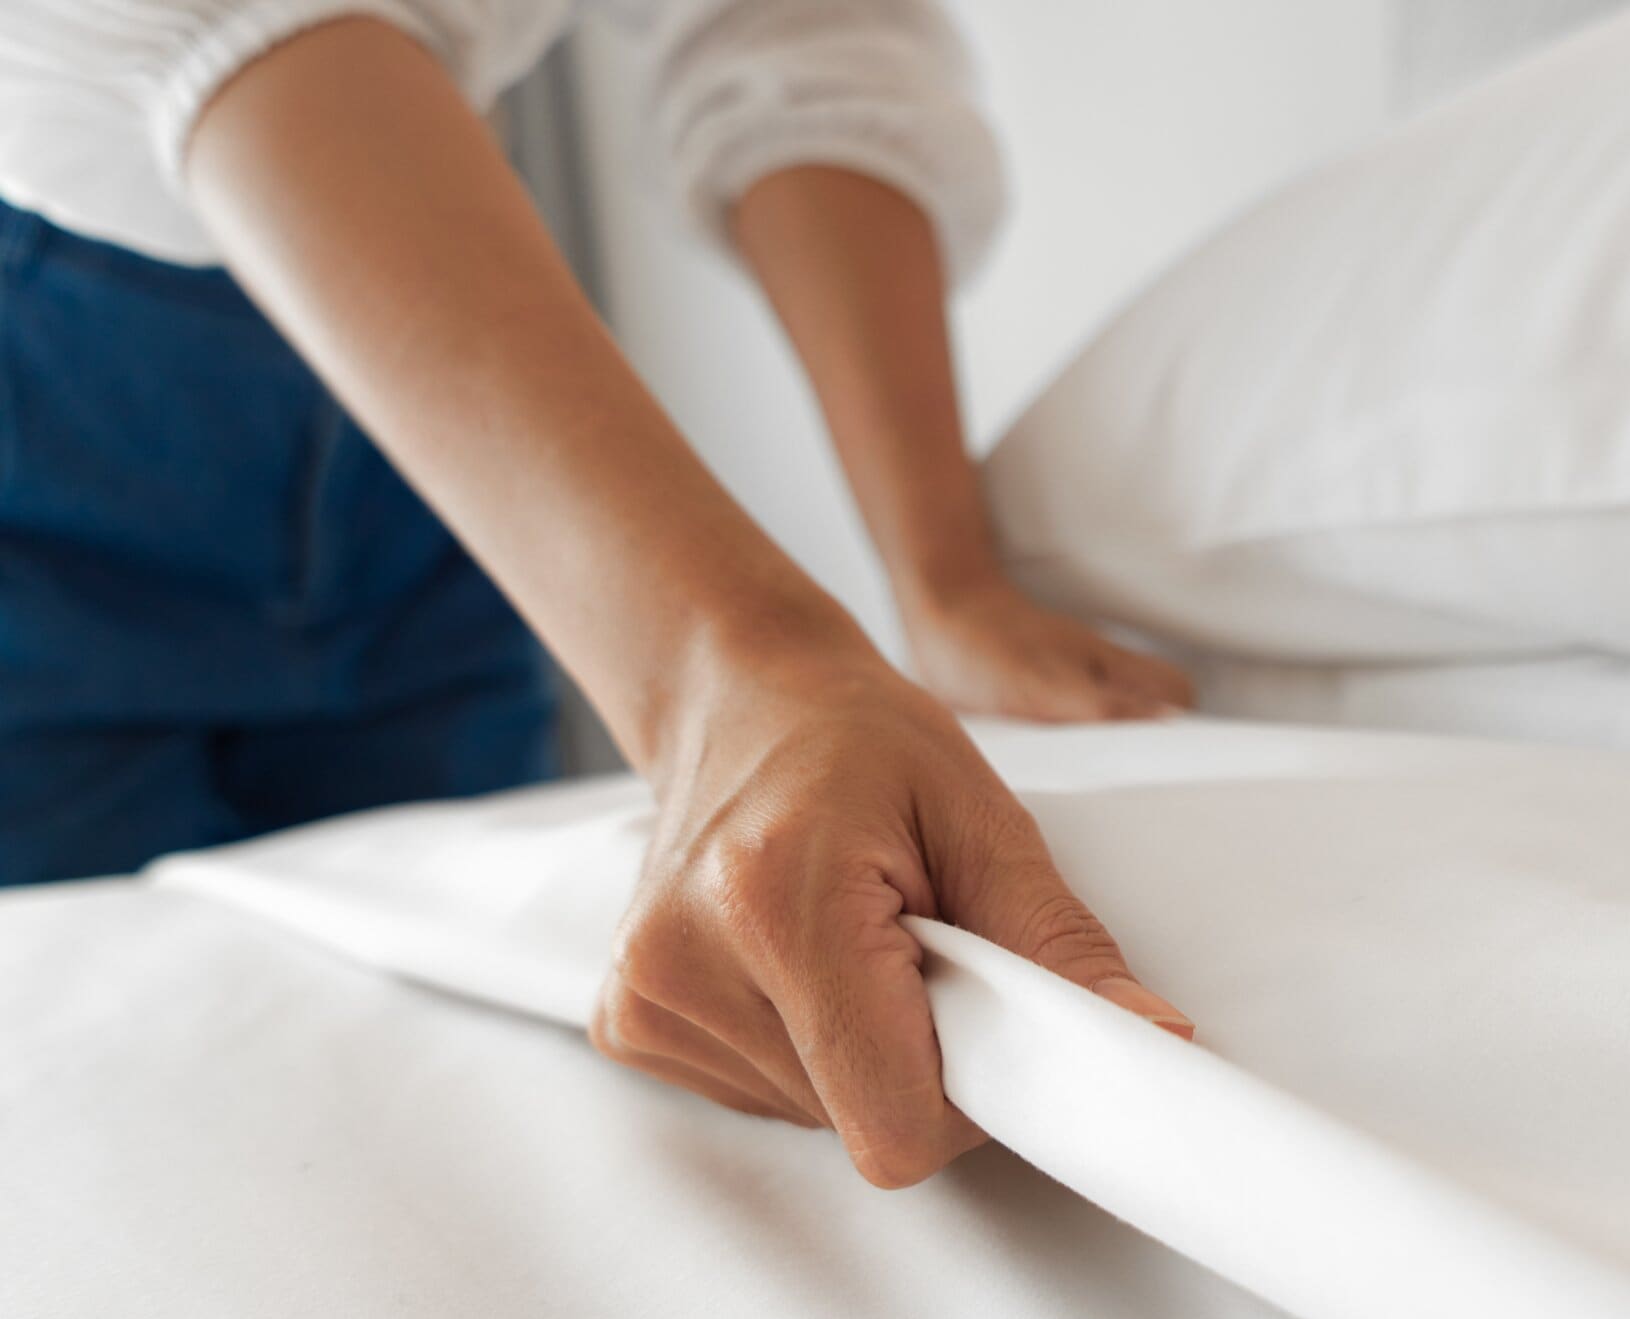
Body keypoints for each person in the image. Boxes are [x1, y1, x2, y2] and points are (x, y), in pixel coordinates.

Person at [0, 0, 1196, 1185]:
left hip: (429, 442)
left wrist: (945, 580)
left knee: (436, 1084)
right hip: (53, 428)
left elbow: (792, 30)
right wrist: (736, 673)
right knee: (100, 1106)